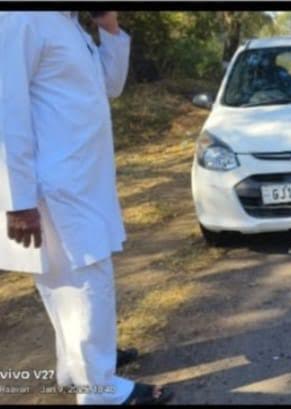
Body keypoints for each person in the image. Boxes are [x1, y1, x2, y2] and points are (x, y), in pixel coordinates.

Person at [0, 12, 172, 404]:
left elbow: (109, 87)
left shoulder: (68, 22)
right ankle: (101, 391)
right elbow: (6, 112)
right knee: (88, 279)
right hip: (56, 185)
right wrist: (18, 202)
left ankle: (76, 370)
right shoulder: (21, 18)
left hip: (84, 179)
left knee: (65, 282)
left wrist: (108, 28)